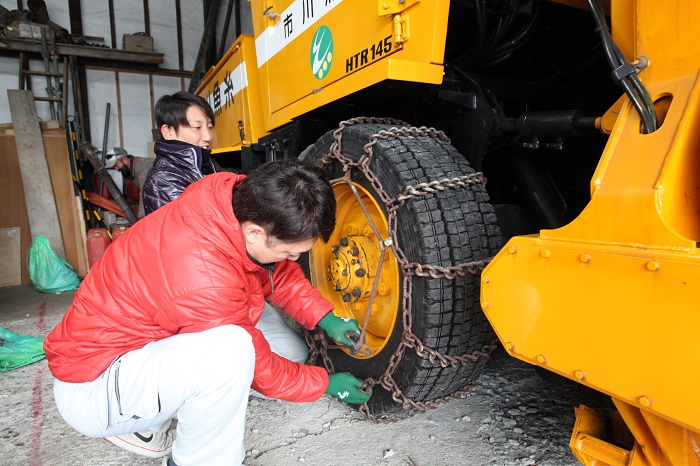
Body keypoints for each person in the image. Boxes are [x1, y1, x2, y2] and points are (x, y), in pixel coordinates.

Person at [44, 160, 370, 466]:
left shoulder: (230, 204)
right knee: (232, 352)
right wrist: (324, 384)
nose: (292, 258)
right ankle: (168, 442)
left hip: (141, 344)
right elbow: (261, 368)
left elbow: (273, 270)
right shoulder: (206, 278)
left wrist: (325, 316)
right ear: (255, 232)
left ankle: (174, 400)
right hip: (95, 384)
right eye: (290, 251)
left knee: (291, 354)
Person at [141, 91, 219, 216]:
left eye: (209, 127)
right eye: (197, 127)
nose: (208, 136)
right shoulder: (163, 180)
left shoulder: (209, 164)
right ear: (168, 132)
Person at [104, 147, 155, 218]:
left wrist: (142, 218)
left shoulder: (142, 168)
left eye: (116, 164)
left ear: (125, 159)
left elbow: (146, 193)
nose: (116, 168)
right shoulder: (133, 169)